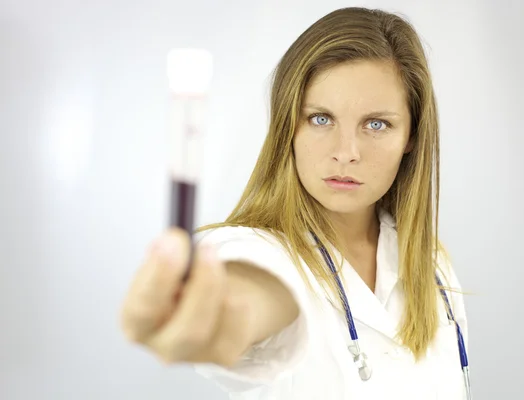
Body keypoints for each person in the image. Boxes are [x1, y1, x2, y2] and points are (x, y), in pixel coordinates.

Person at [120, 6, 469, 400]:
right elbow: (256, 291)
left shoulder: (433, 266)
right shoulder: (255, 250)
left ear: (411, 137)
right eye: (321, 119)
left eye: (377, 124)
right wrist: (223, 311)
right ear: (289, 126)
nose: (346, 152)